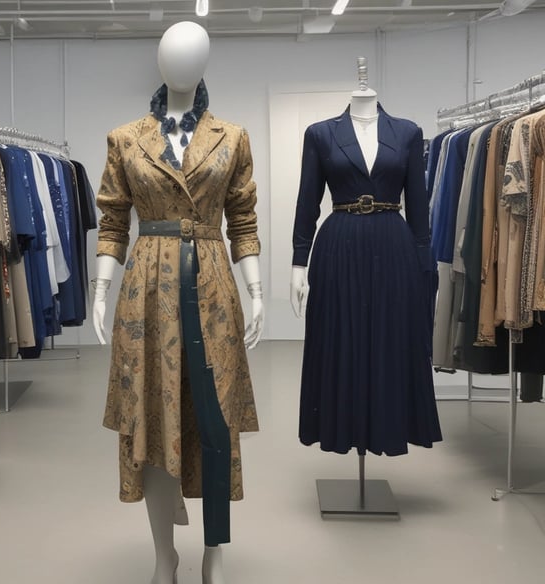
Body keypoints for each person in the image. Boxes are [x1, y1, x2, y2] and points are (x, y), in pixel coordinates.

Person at [92, 21, 263, 584]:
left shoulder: (231, 137)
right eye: (171, 54)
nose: (181, 63)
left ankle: (215, 550)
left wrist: (256, 288)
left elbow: (242, 218)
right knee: (153, 414)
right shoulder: (125, 138)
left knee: (213, 419)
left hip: (212, 284)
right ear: (160, 65)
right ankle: (164, 553)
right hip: (147, 291)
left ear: (205, 63)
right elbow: (114, 220)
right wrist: (100, 286)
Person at [290, 63, 441, 457]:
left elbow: (420, 209)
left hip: (395, 246)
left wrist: (425, 267)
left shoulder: (407, 133)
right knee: (341, 338)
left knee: (390, 341)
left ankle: (386, 432)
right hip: (339, 244)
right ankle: (342, 431)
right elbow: (307, 204)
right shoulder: (321, 134)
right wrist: (298, 264)